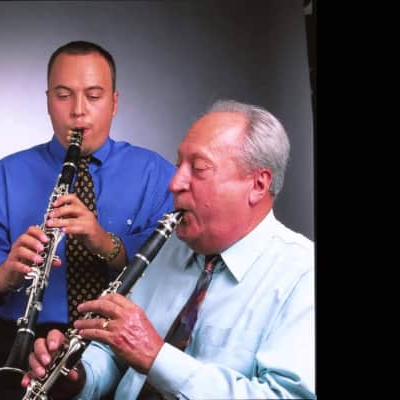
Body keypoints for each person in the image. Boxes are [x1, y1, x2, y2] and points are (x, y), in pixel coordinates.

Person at [23, 99, 315, 399]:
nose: (174, 183)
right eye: (179, 166)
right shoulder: (167, 249)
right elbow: (114, 354)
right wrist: (79, 378)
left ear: (258, 185)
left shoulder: (304, 276)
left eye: (198, 168)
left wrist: (156, 356)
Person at [0, 40, 176, 399]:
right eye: (63, 95)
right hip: (25, 342)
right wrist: (5, 272)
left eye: (94, 96)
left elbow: (173, 263)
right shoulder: (4, 175)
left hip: (121, 342)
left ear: (114, 102)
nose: (78, 111)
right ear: (47, 101)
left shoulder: (156, 173)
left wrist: (106, 243)